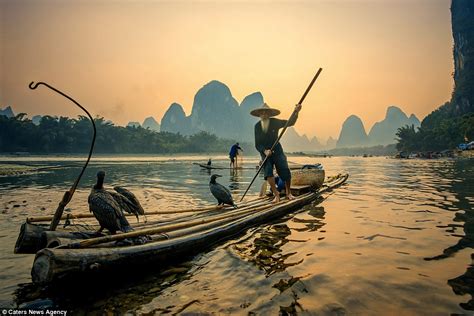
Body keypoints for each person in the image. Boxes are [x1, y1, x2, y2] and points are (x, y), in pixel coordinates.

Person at [251, 102, 302, 202]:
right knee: (268, 172)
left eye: (266, 113)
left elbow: (290, 122)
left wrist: (296, 112)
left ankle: (288, 193)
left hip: (277, 150)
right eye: (262, 113)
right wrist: (264, 151)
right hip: (265, 153)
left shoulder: (275, 122)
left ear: (269, 114)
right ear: (259, 115)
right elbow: (257, 144)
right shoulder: (257, 127)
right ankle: (276, 195)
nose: (264, 115)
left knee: (285, 170)